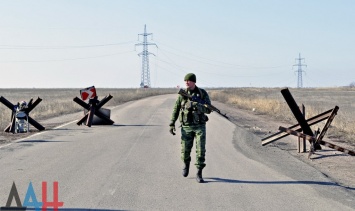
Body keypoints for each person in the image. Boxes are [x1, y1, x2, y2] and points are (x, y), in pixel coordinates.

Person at [169, 73, 211, 183]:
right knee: (185, 150)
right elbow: (176, 109)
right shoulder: (182, 95)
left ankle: (199, 173)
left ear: (194, 82)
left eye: (189, 80)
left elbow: (209, 110)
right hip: (186, 126)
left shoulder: (202, 94)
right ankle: (186, 165)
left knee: (200, 150)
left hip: (199, 126)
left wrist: (197, 105)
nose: (187, 82)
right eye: (185, 81)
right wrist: (172, 123)